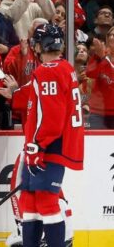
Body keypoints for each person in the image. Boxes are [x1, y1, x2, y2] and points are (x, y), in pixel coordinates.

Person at [17, 24, 84, 246]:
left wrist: (39, 146)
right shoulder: (64, 67)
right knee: (29, 200)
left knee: (46, 202)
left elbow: (51, 117)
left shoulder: (48, 71)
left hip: (49, 146)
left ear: (38, 46)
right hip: (43, 145)